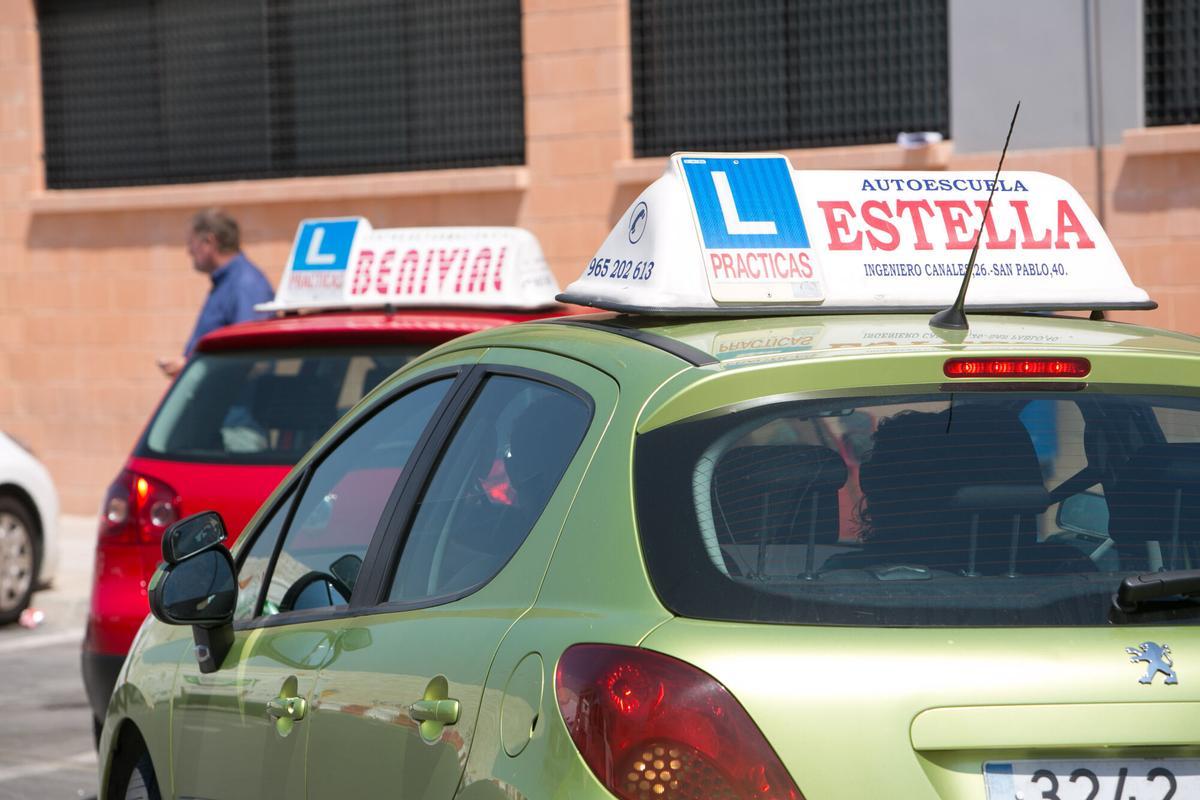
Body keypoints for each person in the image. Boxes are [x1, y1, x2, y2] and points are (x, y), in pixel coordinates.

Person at [157, 209, 275, 378]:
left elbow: (248, 357)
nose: (189, 251)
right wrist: (189, 364)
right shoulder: (226, 282)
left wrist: (192, 366)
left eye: (192, 243)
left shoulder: (245, 284)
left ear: (209, 241)